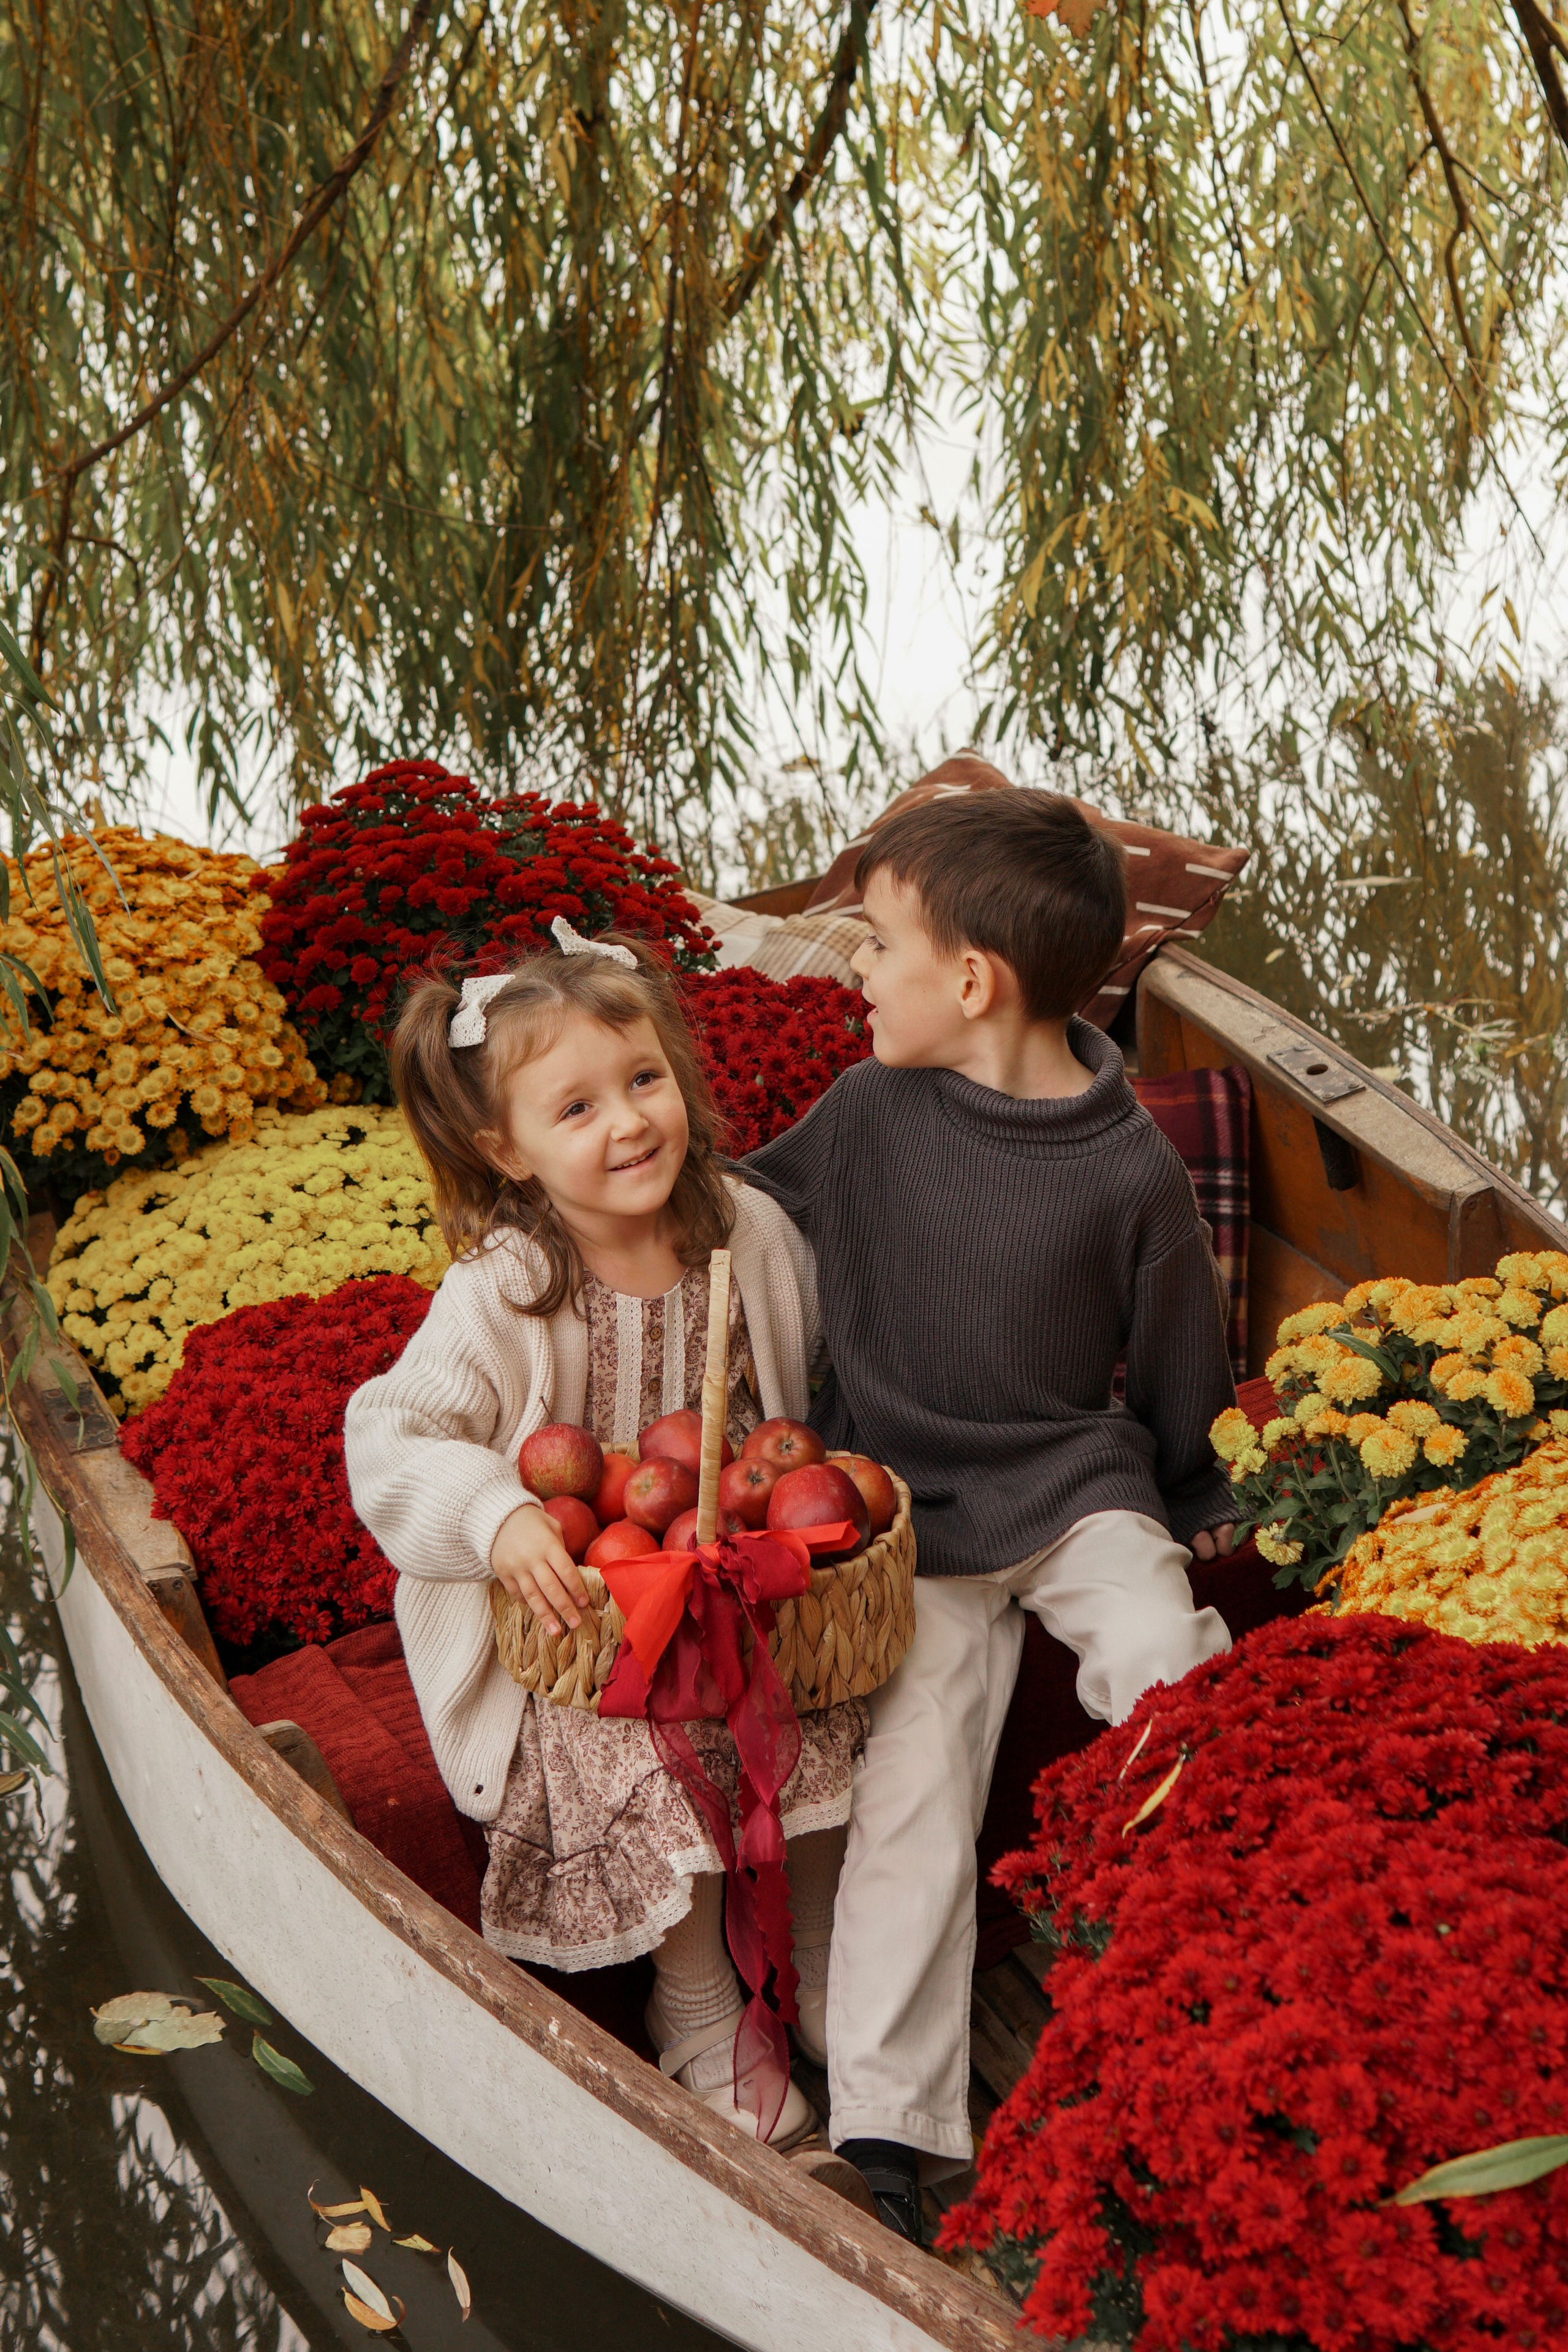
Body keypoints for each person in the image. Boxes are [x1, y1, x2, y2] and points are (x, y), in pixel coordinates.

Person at [742, 787, 1238, 2234]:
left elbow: (1178, 1353)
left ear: (969, 983)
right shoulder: (864, 1113)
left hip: (1076, 1482)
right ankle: (889, 2126)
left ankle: (1196, 1947)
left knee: (1163, 1658)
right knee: (914, 1780)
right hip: (911, 1513)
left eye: (876, 942)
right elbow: (746, 1213)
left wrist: (1197, 1487)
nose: (854, 966)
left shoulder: (1127, 1165)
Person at [344, 919, 863, 2147]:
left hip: (736, 1581)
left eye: (643, 1081)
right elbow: (390, 1433)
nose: (627, 1124)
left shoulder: (748, 1234)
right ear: (505, 1150)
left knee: (830, 1701)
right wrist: (497, 1514)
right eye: (575, 1109)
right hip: (587, 1629)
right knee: (635, 1754)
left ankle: (822, 1952)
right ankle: (698, 2004)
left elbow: (818, 1385)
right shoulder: (507, 1287)